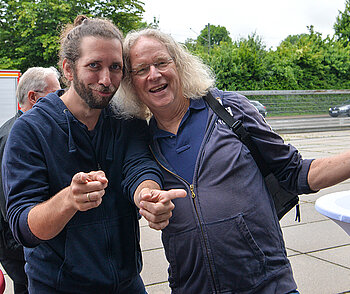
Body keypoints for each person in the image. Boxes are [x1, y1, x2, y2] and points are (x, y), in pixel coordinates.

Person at [114, 28, 350, 294]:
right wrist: (148, 202)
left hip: (267, 285)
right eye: (142, 69)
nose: (154, 74)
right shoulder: (141, 140)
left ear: (179, 64)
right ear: (131, 82)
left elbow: (295, 172)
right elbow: (137, 182)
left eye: (161, 62)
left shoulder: (229, 109)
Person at [2, 16, 185, 294]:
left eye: (115, 67)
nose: (106, 79)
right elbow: (23, 227)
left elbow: (138, 166)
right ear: (69, 69)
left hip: (127, 283)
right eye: (94, 66)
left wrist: (148, 195)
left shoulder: (126, 118)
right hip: (58, 287)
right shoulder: (30, 130)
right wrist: (69, 199)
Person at [0, 66, 61, 294]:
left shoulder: (28, 128)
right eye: (56, 94)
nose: (62, 100)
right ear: (33, 98)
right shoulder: (16, 136)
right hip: (20, 246)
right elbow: (10, 203)